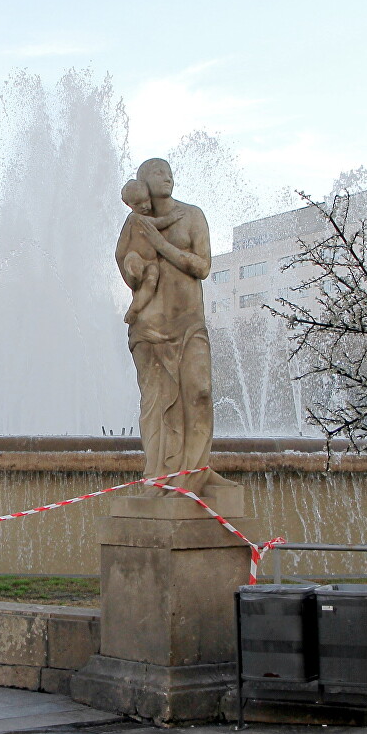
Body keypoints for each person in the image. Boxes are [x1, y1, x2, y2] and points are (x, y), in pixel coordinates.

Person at [115, 158, 230, 497]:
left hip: (189, 324)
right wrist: (136, 267)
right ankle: (158, 476)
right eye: (156, 173)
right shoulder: (134, 222)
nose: (165, 177)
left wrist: (161, 245)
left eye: (168, 172)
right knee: (155, 402)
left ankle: (194, 473)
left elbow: (202, 266)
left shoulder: (192, 216)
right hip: (149, 328)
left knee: (200, 391)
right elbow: (127, 266)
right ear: (142, 183)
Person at [119, 178, 181, 325]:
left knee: (151, 281)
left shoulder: (143, 216)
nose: (145, 206)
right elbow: (158, 223)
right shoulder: (134, 218)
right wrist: (171, 218)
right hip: (136, 257)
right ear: (128, 205)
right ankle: (134, 276)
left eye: (146, 200)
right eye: (138, 204)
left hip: (151, 262)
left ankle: (135, 308)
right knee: (133, 264)